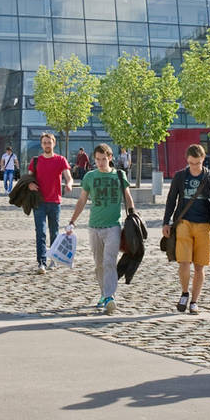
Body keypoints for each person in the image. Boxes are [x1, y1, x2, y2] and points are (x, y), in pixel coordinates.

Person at [68, 144, 135, 315]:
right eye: (97, 159)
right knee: (98, 265)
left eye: (103, 159)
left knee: (109, 261)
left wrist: (133, 216)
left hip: (113, 225)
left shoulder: (119, 175)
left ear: (110, 158)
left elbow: (127, 197)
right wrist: (72, 221)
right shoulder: (90, 176)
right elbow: (82, 200)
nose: (100, 162)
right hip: (94, 226)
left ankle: (110, 296)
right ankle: (103, 294)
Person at [162, 144, 210, 315]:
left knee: (199, 266)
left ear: (203, 159)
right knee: (184, 261)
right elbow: (171, 199)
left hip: (205, 225)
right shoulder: (180, 176)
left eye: (197, 163)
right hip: (184, 223)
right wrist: (166, 222)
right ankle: (184, 293)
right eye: (191, 163)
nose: (194, 166)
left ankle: (194, 301)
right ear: (187, 160)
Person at [27, 132, 73, 274]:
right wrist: (29, 185)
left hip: (54, 202)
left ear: (54, 143)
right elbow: (27, 180)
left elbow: (68, 177)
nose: (47, 145)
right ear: (42, 145)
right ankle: (41, 263)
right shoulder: (35, 161)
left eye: (49, 142)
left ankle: (53, 260)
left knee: (54, 233)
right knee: (40, 233)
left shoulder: (60, 160)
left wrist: (69, 184)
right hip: (39, 202)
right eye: (45, 142)